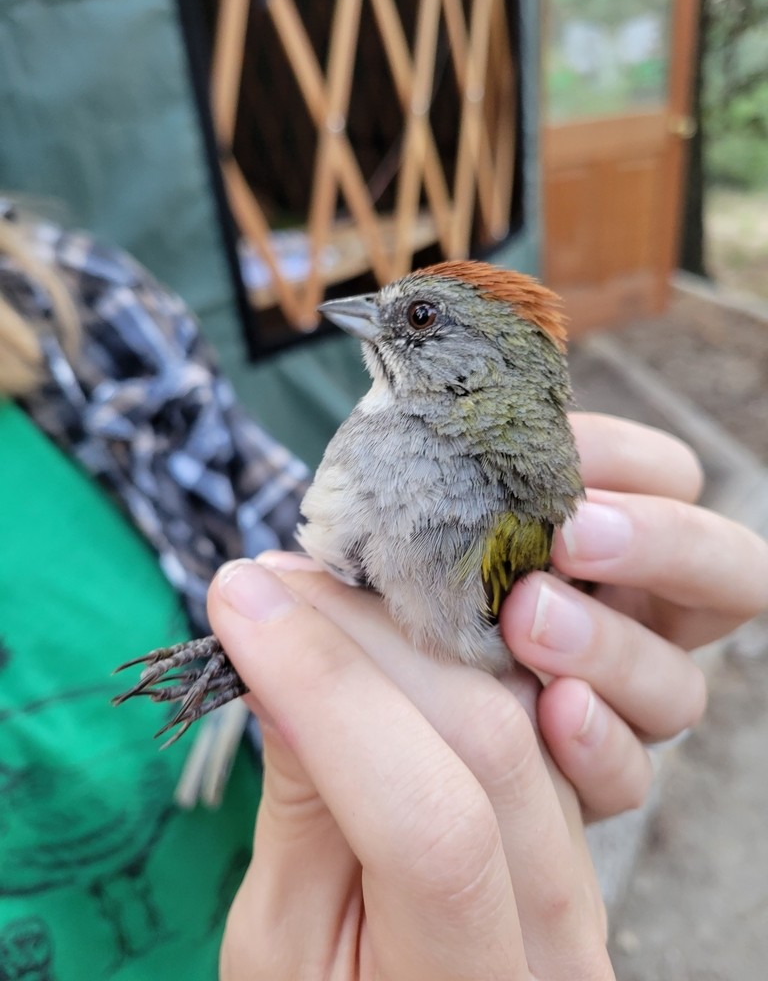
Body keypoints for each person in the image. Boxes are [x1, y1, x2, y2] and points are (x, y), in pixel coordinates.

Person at [1, 198, 766, 979]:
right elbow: (309, 576)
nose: (365, 316)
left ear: (484, 369)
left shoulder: (517, 501)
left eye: (421, 320)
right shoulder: (378, 425)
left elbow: (469, 651)